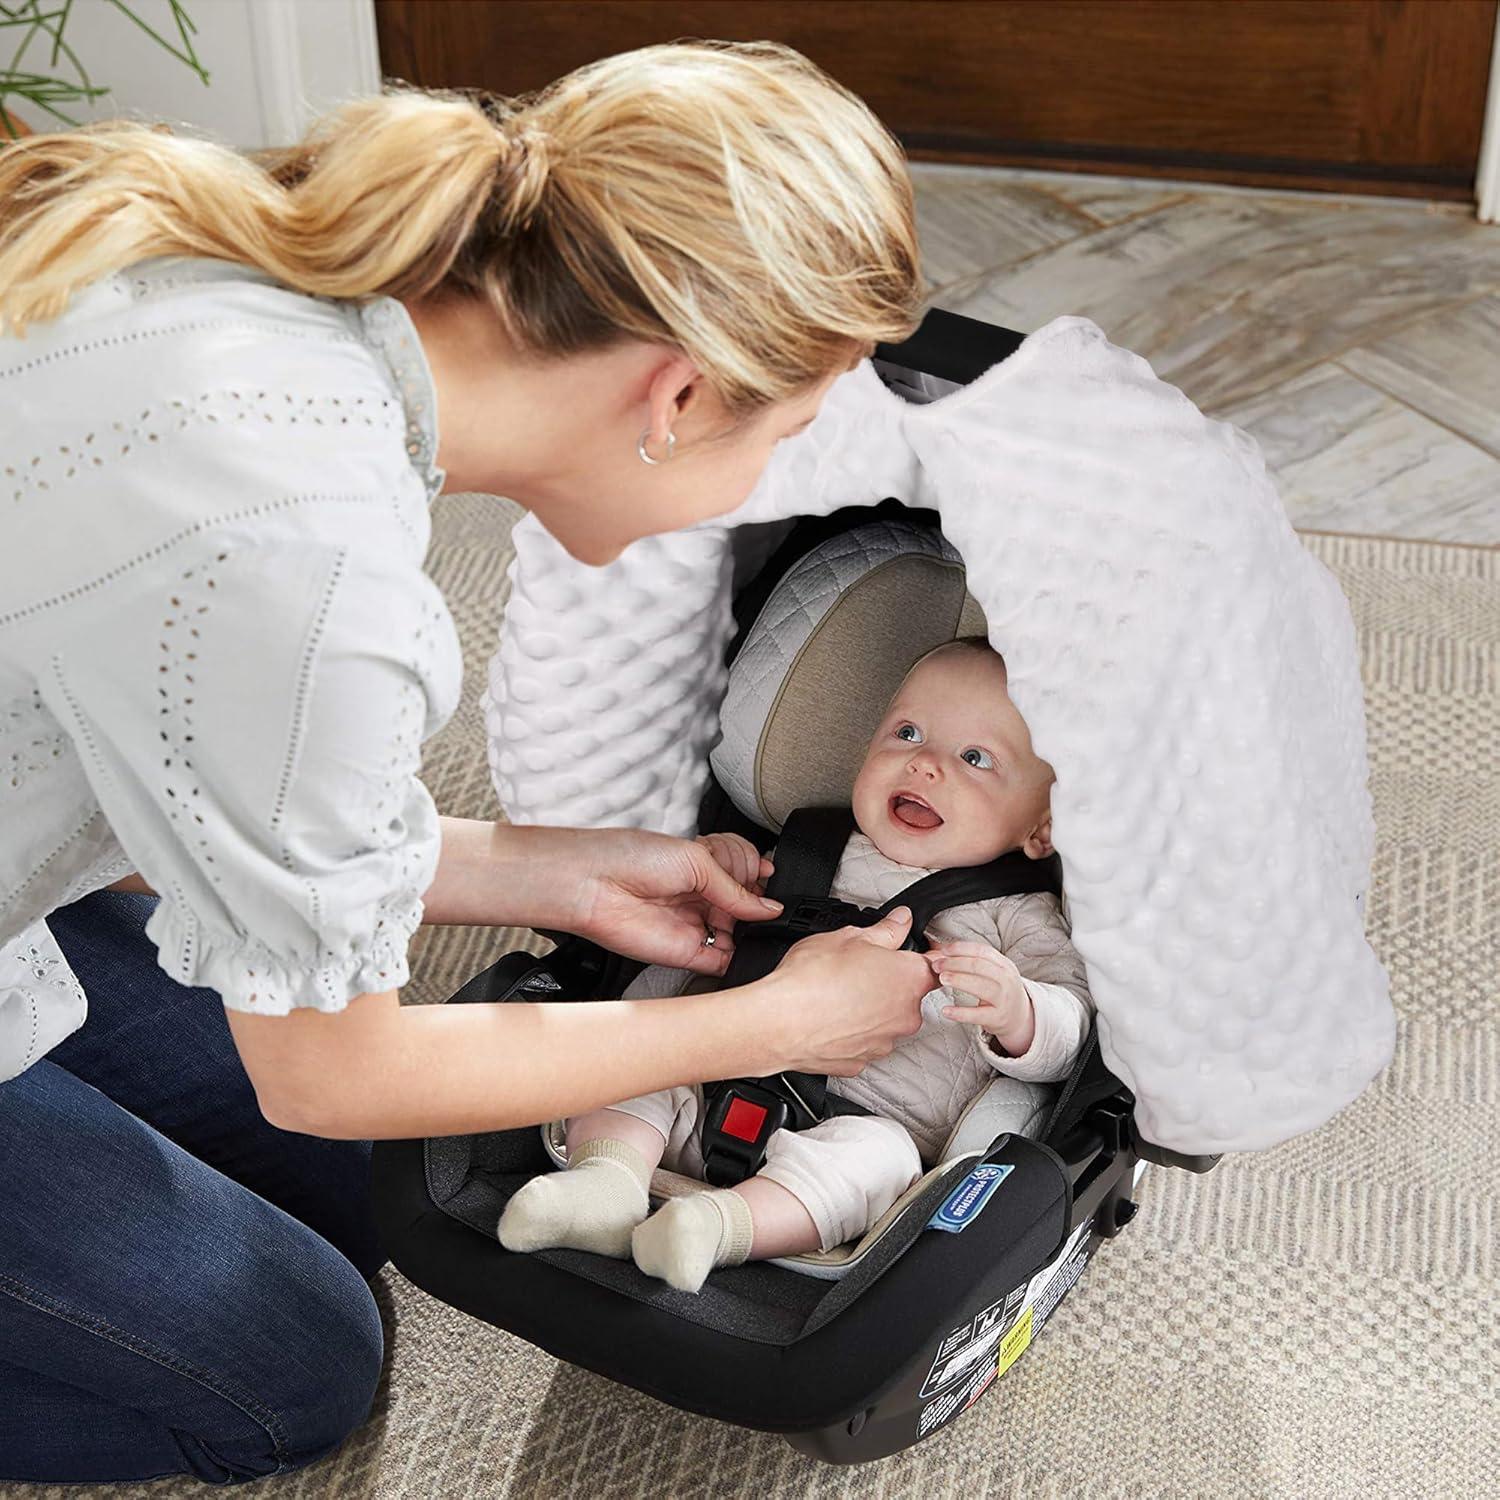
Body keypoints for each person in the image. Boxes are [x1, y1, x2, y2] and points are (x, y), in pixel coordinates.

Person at [0, 41, 937, 1483]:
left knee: (353, 1191)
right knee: (292, 1371)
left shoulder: (272, 295)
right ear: (680, 397)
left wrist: (545, 872)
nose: (764, 486)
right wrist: (772, 1028)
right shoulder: (306, 574)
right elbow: (338, 1071)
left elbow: (161, 763)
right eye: (787, 436)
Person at [499, 640, 1093, 1292]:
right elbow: (715, 923)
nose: (923, 764)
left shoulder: (1020, 916)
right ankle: (604, 1184)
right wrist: (725, 867)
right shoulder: (809, 846)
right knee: (639, 1055)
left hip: (867, 1124)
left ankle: (716, 1228)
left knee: (880, 1164)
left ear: (1041, 830)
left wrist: (1021, 1011)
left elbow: (1072, 1029)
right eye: (907, 732)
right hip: (714, 1065)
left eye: (974, 758)